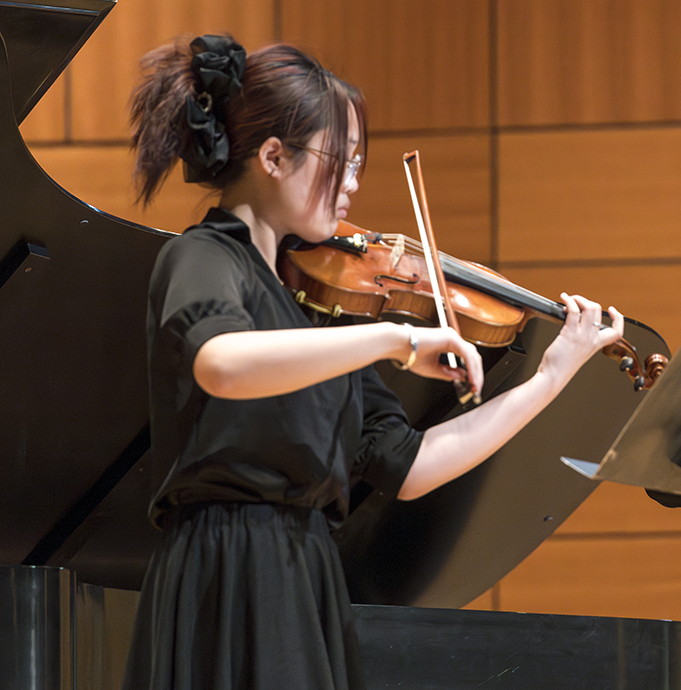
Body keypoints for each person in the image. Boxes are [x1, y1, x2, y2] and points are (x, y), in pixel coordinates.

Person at [122, 35, 624, 690]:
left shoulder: (313, 311)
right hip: (229, 566)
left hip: (304, 573)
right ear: (274, 156)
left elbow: (411, 467)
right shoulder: (204, 258)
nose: (355, 184)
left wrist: (553, 374)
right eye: (344, 162)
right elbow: (222, 364)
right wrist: (394, 341)